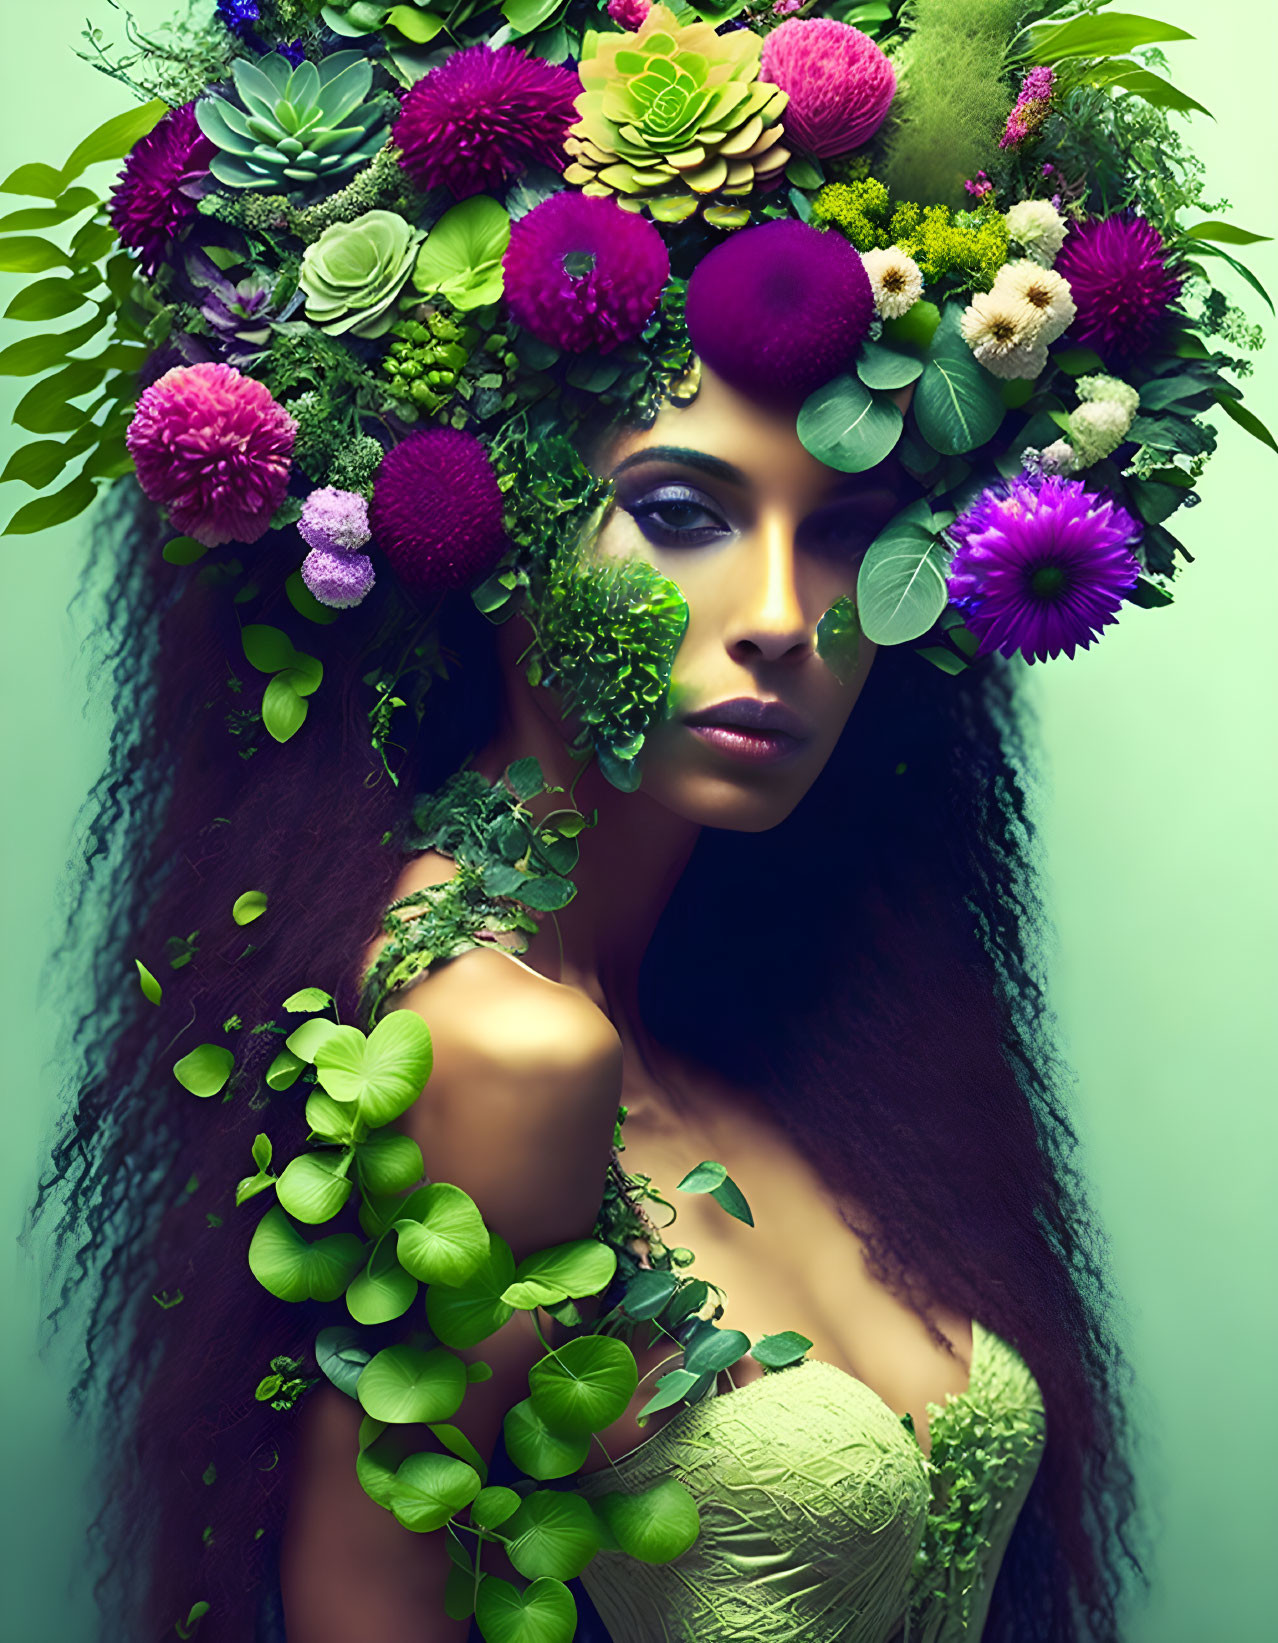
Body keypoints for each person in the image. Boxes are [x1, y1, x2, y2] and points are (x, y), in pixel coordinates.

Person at [12, 1, 1266, 1640]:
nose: (776, 615)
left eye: (848, 542)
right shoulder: (496, 1052)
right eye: (679, 514)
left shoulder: (736, 1019)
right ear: (497, 533)